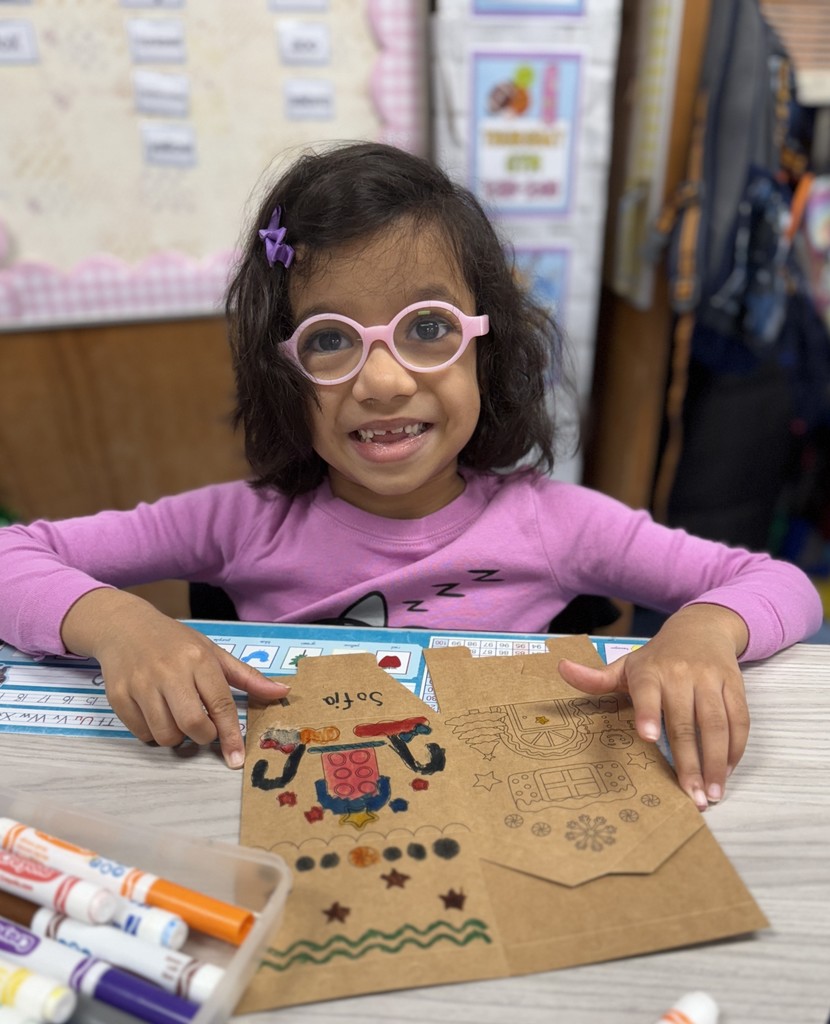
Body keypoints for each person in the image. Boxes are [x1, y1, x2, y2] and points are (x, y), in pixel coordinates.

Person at [0, 142, 822, 810]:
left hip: (512, 809)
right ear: (282, 373)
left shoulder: (555, 523)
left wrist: (701, 633)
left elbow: (780, 584)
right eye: (330, 339)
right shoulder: (242, 523)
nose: (385, 380)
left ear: (486, 354)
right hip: (285, 814)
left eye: (427, 328)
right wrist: (118, 625)